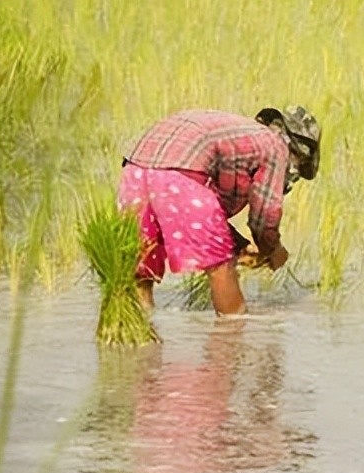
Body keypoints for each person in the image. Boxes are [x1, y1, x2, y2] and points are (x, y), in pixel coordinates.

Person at [118, 105, 321, 315]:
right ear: (299, 153)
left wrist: (239, 245)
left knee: (141, 269)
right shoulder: (277, 146)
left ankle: (142, 329)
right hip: (181, 173)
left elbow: (199, 206)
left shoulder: (245, 136)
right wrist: (273, 249)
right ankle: (232, 331)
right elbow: (264, 216)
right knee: (221, 268)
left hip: (134, 169)